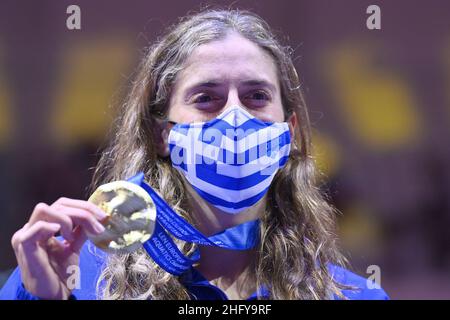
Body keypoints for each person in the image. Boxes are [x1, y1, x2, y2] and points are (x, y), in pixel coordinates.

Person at [0, 9, 388, 300]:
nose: (234, 118)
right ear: (162, 135)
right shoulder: (75, 277)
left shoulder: (353, 295)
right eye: (206, 98)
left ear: (289, 132)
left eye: (256, 96)